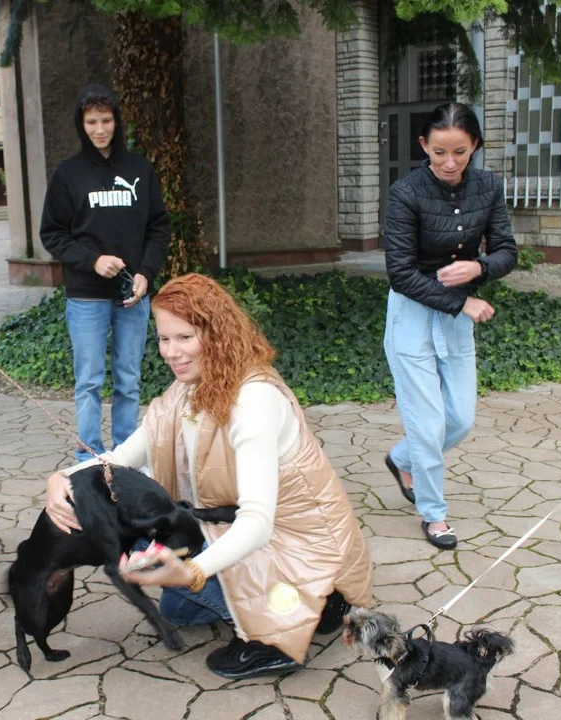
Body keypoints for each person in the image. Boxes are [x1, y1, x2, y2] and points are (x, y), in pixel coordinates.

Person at [44, 274, 373, 680]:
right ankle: (310, 606)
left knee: (181, 580)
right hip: (234, 526)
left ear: (217, 334)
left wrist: (195, 570)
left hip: (293, 542)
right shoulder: (189, 388)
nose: (171, 352)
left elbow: (257, 521)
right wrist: (63, 477)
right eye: (164, 339)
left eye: (184, 337)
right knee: (177, 608)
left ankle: (285, 631)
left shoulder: (253, 401)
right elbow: (122, 459)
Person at [382, 102, 517, 550]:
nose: (449, 162)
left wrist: (477, 268)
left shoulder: (489, 186)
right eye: (439, 151)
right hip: (412, 314)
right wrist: (462, 304)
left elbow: (506, 251)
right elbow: (400, 273)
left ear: (475, 146)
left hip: (458, 312)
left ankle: (401, 459)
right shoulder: (405, 192)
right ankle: (434, 514)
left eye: (460, 151)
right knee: (427, 422)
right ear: (424, 145)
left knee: (459, 418)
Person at [40, 83, 171, 461]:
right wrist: (92, 260)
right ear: (81, 124)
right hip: (85, 296)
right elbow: (52, 233)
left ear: (118, 122)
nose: (100, 129)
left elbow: (158, 227)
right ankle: (89, 458)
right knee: (89, 382)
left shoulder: (139, 169)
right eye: (92, 121)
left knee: (129, 381)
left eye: (107, 120)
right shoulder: (68, 174)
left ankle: (127, 454)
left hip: (133, 294)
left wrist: (146, 272)